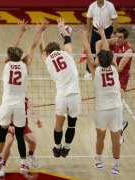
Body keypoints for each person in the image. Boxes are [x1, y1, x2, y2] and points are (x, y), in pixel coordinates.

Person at [0, 19, 48, 179]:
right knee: (18, 135)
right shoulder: (26, 64)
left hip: (6, 104)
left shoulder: (6, 63)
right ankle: (24, 163)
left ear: (10, 56)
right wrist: (39, 31)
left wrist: (20, 31)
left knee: (2, 133)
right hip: (18, 105)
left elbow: (14, 49)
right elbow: (32, 47)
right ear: (21, 57)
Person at [78, 23, 123, 176]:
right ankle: (116, 166)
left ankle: (98, 160)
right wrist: (103, 34)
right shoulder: (114, 68)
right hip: (116, 108)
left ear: (99, 61)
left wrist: (84, 37)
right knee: (116, 139)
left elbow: (89, 52)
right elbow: (106, 49)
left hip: (102, 110)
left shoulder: (95, 70)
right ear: (111, 60)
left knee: (100, 136)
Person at [39, 18, 81, 158]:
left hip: (61, 97)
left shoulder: (48, 60)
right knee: (71, 125)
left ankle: (57, 148)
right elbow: (68, 38)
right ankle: (66, 148)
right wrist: (62, 27)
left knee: (58, 124)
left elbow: (42, 51)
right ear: (59, 49)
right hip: (74, 95)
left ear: (49, 52)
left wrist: (41, 33)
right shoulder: (66, 53)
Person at [96, 27, 133, 145]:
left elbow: (119, 68)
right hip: (111, 74)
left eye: (120, 37)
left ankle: (120, 132)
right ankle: (121, 123)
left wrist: (105, 64)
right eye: (116, 36)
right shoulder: (115, 41)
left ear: (125, 39)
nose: (117, 39)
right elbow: (98, 43)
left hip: (121, 76)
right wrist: (99, 58)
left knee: (118, 101)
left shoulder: (128, 50)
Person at [0, 97, 42, 177]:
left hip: (22, 125)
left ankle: (31, 154)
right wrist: (9, 127)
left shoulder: (26, 100)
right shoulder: (8, 99)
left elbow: (32, 113)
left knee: (33, 142)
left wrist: (37, 121)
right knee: (8, 143)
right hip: (9, 125)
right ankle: (2, 166)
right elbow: (3, 115)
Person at [84, 0, 118, 79]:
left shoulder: (110, 5)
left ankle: (108, 67)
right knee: (92, 50)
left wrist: (114, 32)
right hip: (96, 30)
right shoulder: (92, 6)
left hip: (107, 29)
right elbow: (89, 18)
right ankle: (88, 71)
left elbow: (115, 19)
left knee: (107, 50)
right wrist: (88, 30)